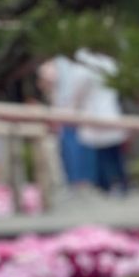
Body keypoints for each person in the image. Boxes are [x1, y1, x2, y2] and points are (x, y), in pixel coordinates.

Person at [71, 50, 129, 193]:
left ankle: (106, 184)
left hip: (96, 114)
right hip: (109, 114)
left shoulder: (83, 69)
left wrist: (75, 107)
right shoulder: (110, 64)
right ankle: (118, 183)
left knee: (101, 154)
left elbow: (77, 93)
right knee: (113, 154)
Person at [38, 56, 96, 187]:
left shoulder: (59, 63)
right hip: (75, 112)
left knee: (73, 148)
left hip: (68, 112)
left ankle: (76, 179)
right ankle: (80, 178)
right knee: (75, 147)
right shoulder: (72, 63)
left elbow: (45, 81)